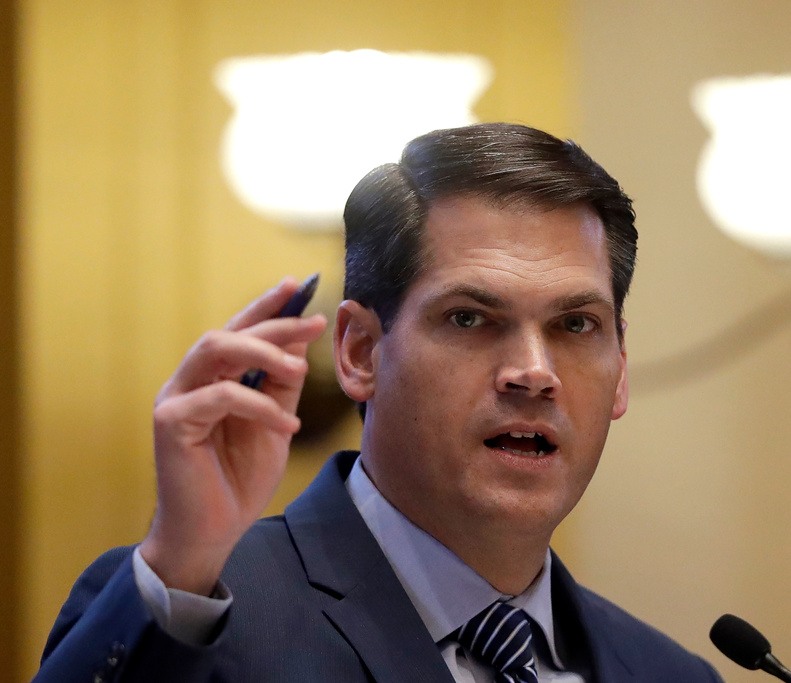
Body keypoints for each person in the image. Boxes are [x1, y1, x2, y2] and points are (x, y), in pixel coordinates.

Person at [34, 123, 723, 682]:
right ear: (361, 351)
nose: (534, 373)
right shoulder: (191, 613)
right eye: (469, 318)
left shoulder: (670, 673)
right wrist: (180, 564)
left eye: (575, 325)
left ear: (621, 369)